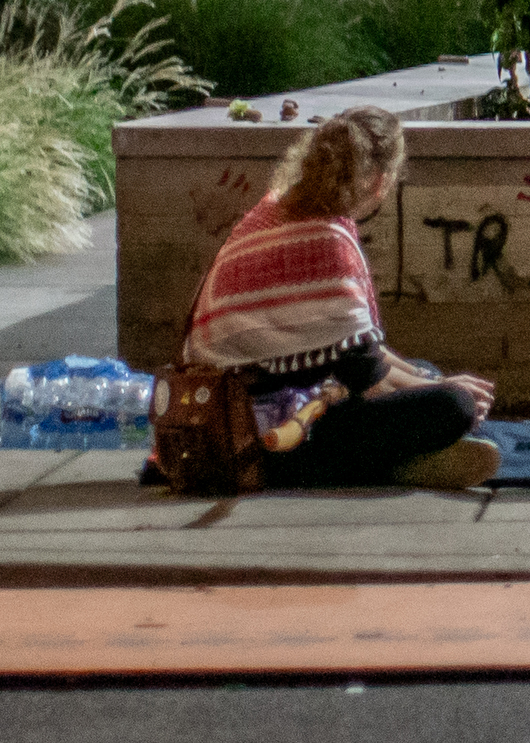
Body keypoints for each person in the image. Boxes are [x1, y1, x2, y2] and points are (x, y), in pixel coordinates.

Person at [183, 105, 501, 489]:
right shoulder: (327, 242)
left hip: (243, 405)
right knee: (453, 406)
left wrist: (426, 377)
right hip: (258, 436)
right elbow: (370, 380)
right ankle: (384, 466)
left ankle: (398, 457)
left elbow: (357, 354)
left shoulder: (270, 211)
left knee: (423, 370)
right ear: (380, 181)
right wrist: (446, 388)